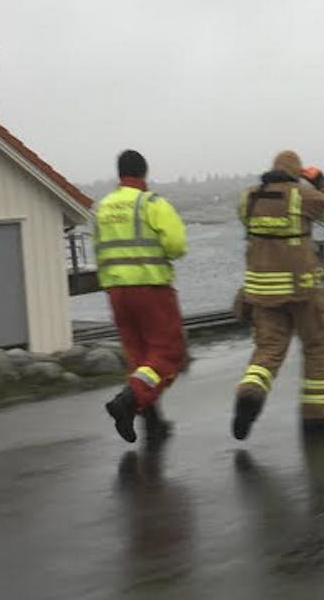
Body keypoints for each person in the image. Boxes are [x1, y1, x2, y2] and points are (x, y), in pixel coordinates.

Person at [232, 150, 324, 440]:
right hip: (302, 291)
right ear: (296, 173)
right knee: (316, 347)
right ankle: (315, 418)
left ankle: (250, 392)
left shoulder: (248, 198)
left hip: (262, 292)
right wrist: (320, 180)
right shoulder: (302, 195)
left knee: (268, 350)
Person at [95, 150, 188, 444]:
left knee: (139, 355)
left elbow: (99, 249)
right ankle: (130, 400)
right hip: (151, 289)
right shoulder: (152, 204)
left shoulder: (104, 207)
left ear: (119, 173)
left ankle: (152, 420)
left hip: (116, 292)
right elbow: (176, 245)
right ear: (144, 173)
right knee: (167, 353)